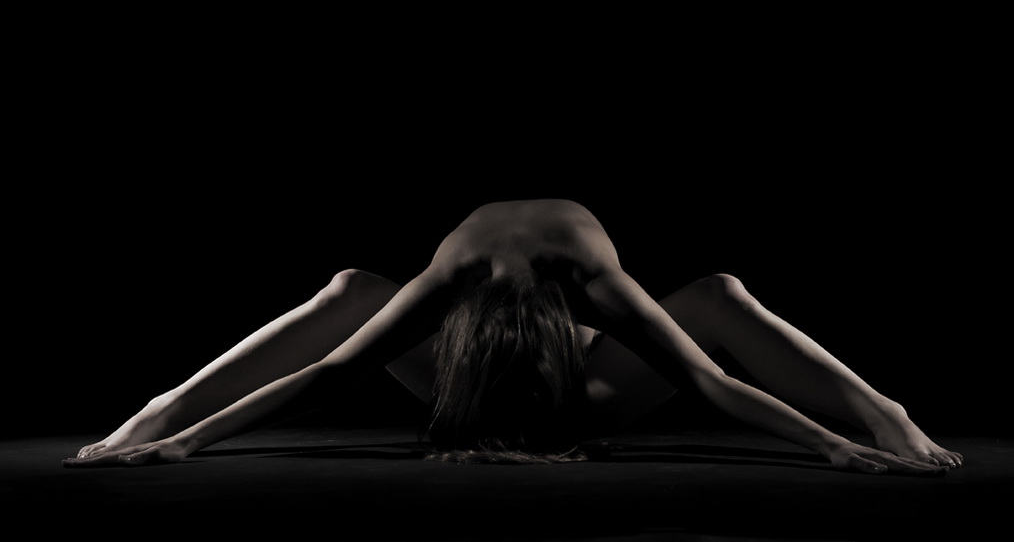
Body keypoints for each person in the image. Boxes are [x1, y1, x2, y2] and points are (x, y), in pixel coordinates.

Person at [64, 199, 962, 474]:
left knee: (722, 294)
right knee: (349, 290)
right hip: (478, 378)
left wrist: (838, 440)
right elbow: (331, 369)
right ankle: (157, 405)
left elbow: (708, 379)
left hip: (573, 384)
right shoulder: (448, 281)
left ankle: (886, 411)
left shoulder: (594, 281)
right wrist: (177, 431)